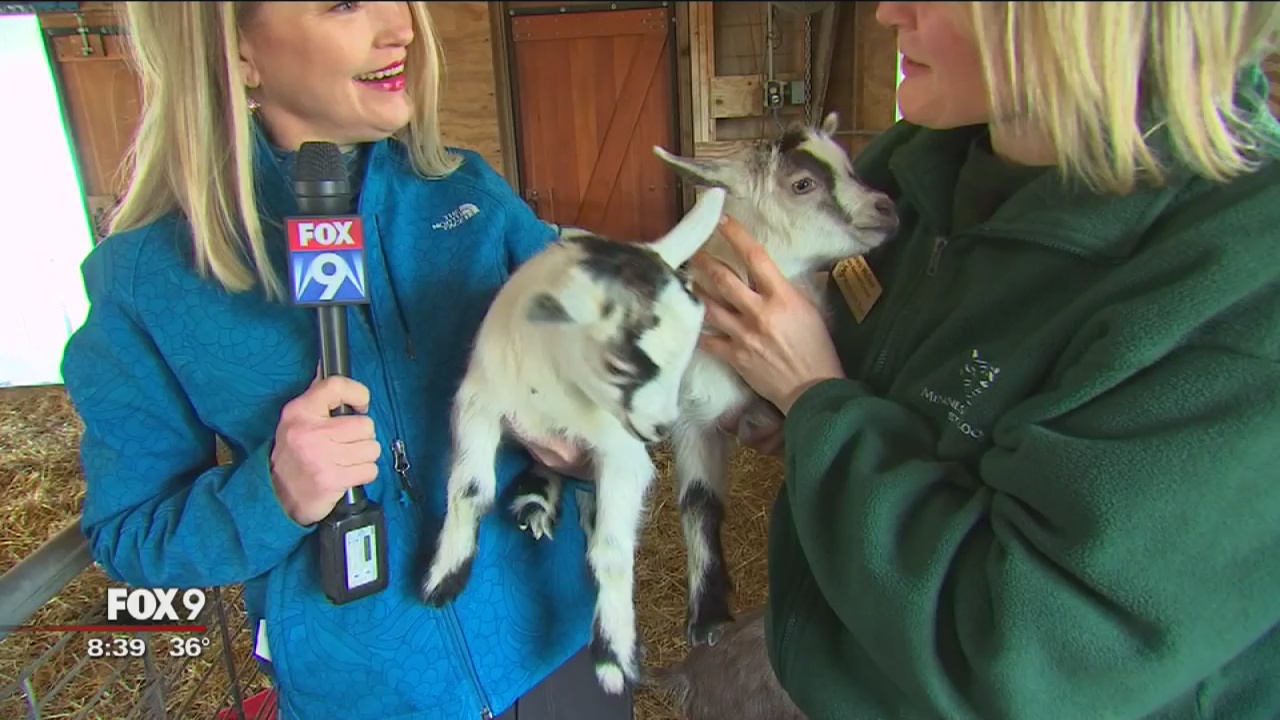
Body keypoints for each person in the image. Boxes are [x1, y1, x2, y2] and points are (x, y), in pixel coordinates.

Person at [688, 2, 1280, 719]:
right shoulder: (912, 167)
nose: (887, 11)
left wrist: (817, 399)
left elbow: (1022, 654)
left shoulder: (1240, 287)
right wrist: (792, 415)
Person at [59, 3, 625, 719]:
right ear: (236, 47)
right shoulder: (146, 279)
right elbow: (130, 535)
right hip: (366, 696)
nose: (403, 28)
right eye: (345, 2)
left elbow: (608, 390)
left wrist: (586, 443)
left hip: (559, 649)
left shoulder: (471, 196)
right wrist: (272, 497)